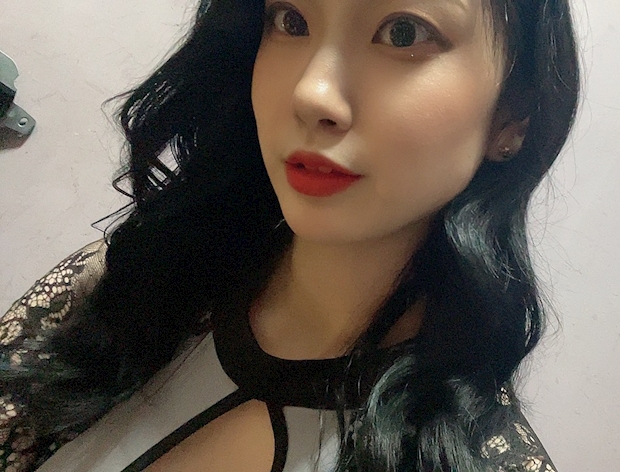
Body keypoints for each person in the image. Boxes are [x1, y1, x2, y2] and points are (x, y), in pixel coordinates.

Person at [0, 0, 580, 469]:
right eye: (290, 20)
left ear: (515, 114)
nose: (311, 92)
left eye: (403, 32)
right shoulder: (129, 288)